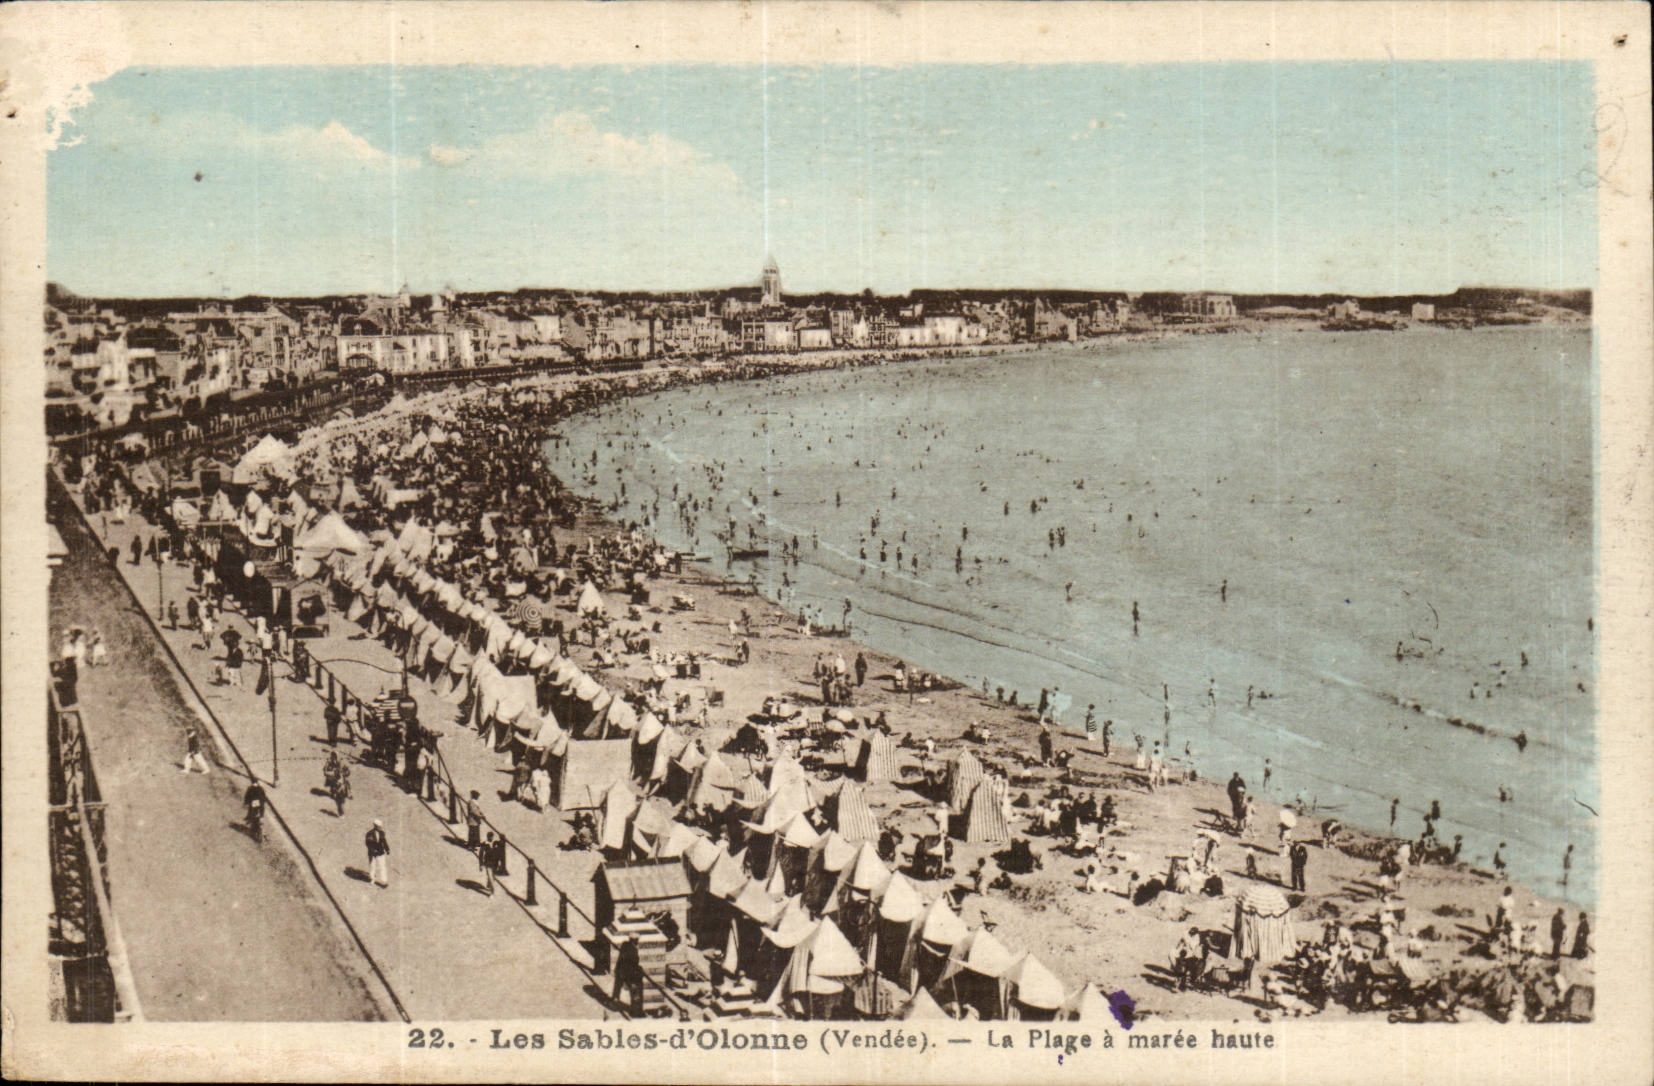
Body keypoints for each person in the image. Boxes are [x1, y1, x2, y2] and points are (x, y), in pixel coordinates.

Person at [613, 933, 645, 1013]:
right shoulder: (633, 950)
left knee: (618, 985)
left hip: (620, 969)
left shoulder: (625, 945)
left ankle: (615, 999)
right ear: (635, 940)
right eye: (637, 940)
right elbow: (633, 963)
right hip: (628, 973)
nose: (637, 942)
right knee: (635, 989)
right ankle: (636, 1009)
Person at [366, 819, 390, 887]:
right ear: (375, 826)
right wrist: (373, 850)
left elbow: (384, 841)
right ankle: (372, 878)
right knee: (372, 866)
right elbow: (368, 844)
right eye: (379, 826)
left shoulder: (382, 833)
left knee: (382, 866)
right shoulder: (369, 834)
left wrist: (387, 849)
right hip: (372, 853)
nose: (381, 827)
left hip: (380, 852)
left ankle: (384, 881)